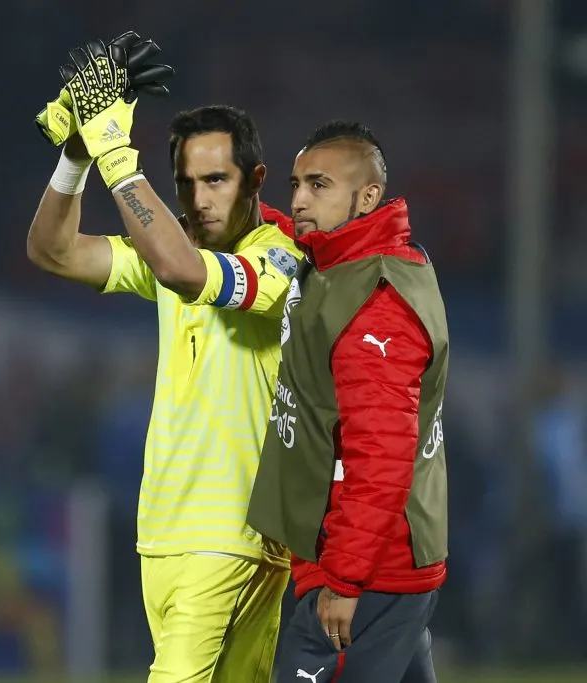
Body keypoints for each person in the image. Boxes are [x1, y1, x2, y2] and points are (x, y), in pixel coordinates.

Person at [27, 34, 301, 683]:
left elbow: (182, 270)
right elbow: (54, 253)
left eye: (216, 180)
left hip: (233, 534)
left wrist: (117, 154)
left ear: (255, 181)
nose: (199, 198)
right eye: (185, 183)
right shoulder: (172, 250)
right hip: (163, 528)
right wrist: (77, 154)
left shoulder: (282, 258)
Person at [246, 120, 449, 683]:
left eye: (319, 185)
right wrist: (240, 209)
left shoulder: (374, 309)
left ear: (367, 197)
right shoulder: (354, 263)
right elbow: (303, 236)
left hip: (368, 574)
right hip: (385, 563)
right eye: (295, 184)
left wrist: (344, 581)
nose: (300, 199)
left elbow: (382, 460)